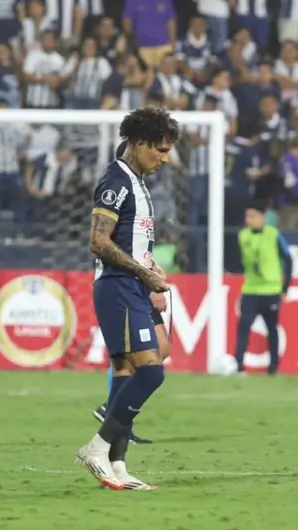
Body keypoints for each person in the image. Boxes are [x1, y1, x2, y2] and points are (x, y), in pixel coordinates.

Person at [76, 106, 180, 492]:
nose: (164, 158)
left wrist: (151, 274)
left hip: (133, 286)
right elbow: (98, 241)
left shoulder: (137, 182)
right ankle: (97, 448)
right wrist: (142, 274)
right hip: (118, 287)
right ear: (138, 143)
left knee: (127, 373)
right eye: (160, 150)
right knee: (152, 371)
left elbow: (131, 243)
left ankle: (117, 465)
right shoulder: (116, 182)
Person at [92, 290, 171, 445]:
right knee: (134, 357)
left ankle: (112, 409)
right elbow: (130, 264)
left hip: (139, 288)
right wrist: (153, 289)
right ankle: (114, 415)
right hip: (126, 289)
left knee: (161, 348)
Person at [233, 200, 292, 376]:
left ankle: (273, 367)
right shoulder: (242, 235)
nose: (248, 220)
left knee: (272, 329)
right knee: (244, 326)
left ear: (262, 218)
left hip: (271, 290)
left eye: (252, 216)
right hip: (250, 289)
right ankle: (239, 366)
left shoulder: (274, 235)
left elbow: (288, 259)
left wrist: (285, 288)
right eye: (247, 216)